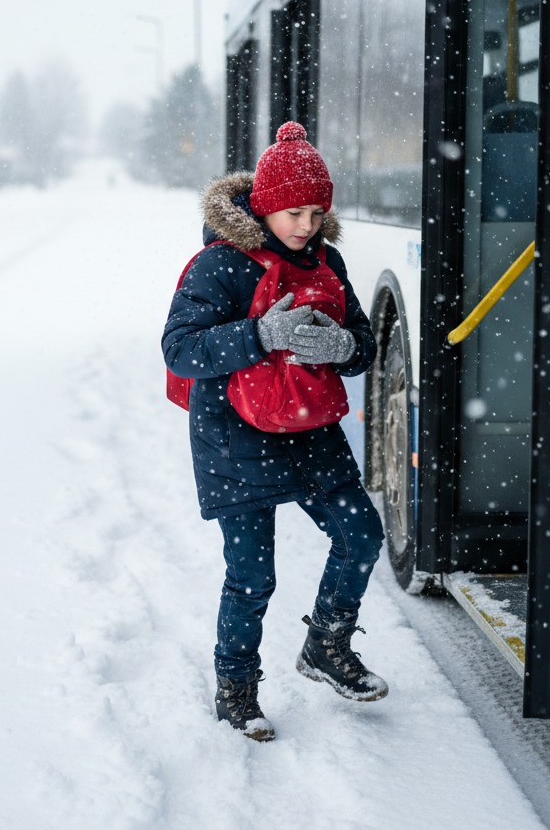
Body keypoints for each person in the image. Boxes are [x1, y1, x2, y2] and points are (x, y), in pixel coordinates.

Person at [162, 121, 387, 743]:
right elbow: (179, 350)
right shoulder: (220, 266)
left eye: (318, 211)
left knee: (362, 535)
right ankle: (236, 689)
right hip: (235, 439)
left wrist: (342, 345)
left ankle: (327, 645)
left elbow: (363, 347)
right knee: (253, 575)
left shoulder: (328, 261)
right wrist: (260, 335)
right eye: (294, 211)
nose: (307, 225)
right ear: (263, 205)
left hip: (311, 430)